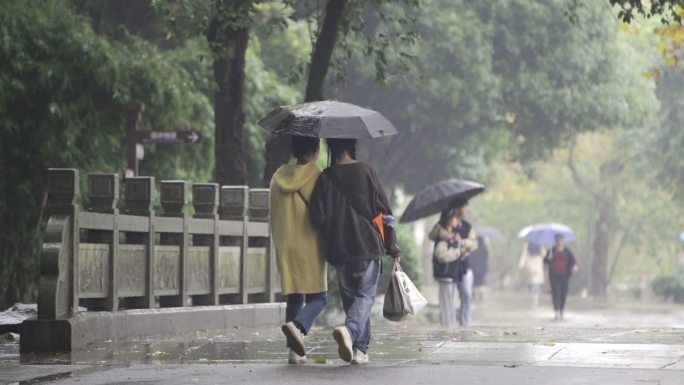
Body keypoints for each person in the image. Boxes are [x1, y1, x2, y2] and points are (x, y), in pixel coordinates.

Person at [309, 138, 401, 365]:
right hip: (367, 244)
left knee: (353, 299)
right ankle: (350, 332)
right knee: (365, 296)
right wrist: (392, 246)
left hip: (339, 248)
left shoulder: (325, 177)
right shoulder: (368, 172)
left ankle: (360, 350)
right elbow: (386, 214)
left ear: (332, 148)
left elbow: (317, 219)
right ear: (352, 147)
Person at [269, 136, 327, 364]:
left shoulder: (277, 176)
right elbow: (323, 213)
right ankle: (298, 326)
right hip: (309, 245)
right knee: (319, 298)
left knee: (294, 297)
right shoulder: (317, 176)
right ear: (315, 150)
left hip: (285, 244)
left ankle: (294, 352)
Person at [429, 200, 478, 326]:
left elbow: (474, 243)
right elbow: (433, 237)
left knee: (466, 295)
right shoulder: (442, 226)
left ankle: (464, 323)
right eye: (464, 207)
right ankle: (449, 326)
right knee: (448, 300)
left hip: (463, 267)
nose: (466, 210)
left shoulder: (467, 227)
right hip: (447, 270)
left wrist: (463, 243)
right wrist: (442, 232)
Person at [544, 234, 579, 321]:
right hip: (554, 275)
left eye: (561, 239)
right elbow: (545, 261)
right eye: (558, 240)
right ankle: (556, 311)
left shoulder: (567, 251)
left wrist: (574, 267)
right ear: (555, 241)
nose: (559, 241)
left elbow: (573, 262)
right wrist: (549, 258)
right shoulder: (551, 250)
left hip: (565, 275)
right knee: (556, 292)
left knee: (563, 293)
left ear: (563, 241)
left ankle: (562, 310)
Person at [518, 242, 546, 309]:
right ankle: (535, 302)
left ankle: (534, 302)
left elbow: (523, 256)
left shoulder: (527, 246)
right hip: (537, 268)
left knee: (533, 285)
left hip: (530, 267)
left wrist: (520, 265)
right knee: (535, 285)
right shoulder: (540, 246)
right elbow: (545, 255)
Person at [469, 236, 489, 302]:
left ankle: (473, 295)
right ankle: (481, 296)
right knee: (481, 283)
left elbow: (471, 258)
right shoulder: (484, 248)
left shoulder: (474, 248)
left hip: (474, 269)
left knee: (474, 283)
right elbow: (486, 257)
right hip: (482, 270)